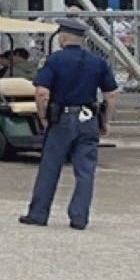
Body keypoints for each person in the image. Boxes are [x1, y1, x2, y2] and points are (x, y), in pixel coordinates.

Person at [21, 20, 119, 231]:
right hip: (89, 118)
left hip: (62, 119)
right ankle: (79, 217)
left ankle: (38, 214)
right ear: (83, 39)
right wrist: (106, 121)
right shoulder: (98, 62)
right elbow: (110, 95)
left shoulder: (55, 60)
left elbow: (42, 92)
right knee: (85, 170)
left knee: (50, 167)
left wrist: (43, 116)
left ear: (63, 37)